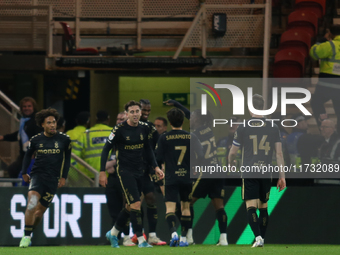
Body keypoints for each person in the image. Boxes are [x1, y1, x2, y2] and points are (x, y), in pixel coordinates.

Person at [100, 100, 164, 248]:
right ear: (126, 114)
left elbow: (148, 150)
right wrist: (102, 172)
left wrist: (156, 167)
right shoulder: (119, 129)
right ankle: (141, 240)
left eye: (137, 111)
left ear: (140, 113)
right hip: (124, 171)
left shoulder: (145, 128)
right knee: (135, 204)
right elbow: (105, 150)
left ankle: (114, 232)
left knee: (130, 206)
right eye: (132, 112)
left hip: (140, 171)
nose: (135, 114)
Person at [164, 99, 228, 246]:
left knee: (184, 205)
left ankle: (190, 237)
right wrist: (177, 105)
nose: (189, 119)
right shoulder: (208, 128)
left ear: (197, 119)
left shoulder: (193, 135)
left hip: (205, 172)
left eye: (192, 118)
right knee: (219, 206)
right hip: (217, 170)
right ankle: (224, 238)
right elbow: (188, 114)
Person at [228, 94, 286, 248]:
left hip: (249, 171)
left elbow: (233, 152)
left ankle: (258, 237)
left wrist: (230, 162)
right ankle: (261, 239)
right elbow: (279, 154)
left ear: (250, 108)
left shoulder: (243, 126)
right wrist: (282, 177)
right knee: (263, 206)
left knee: (251, 206)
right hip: (266, 172)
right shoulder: (273, 127)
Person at [19, 108, 71, 248]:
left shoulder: (64, 140)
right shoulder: (36, 140)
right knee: (32, 203)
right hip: (37, 176)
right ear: (43, 125)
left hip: (53, 180)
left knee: (39, 213)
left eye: (54, 122)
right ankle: (26, 236)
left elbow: (67, 160)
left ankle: (30, 232)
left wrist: (63, 177)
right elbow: (27, 156)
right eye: (49, 123)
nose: (52, 125)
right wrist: (24, 172)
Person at [156, 108, 203, 247]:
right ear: (183, 121)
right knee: (185, 208)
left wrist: (160, 168)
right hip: (186, 178)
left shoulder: (164, 137)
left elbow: (157, 158)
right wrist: (195, 168)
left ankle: (173, 233)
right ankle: (183, 238)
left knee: (170, 209)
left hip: (170, 178)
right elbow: (200, 156)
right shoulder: (192, 137)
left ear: (170, 122)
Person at [130, 99, 165, 246]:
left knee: (150, 198)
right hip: (130, 170)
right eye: (143, 110)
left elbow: (158, 147)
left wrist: (157, 166)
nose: (146, 113)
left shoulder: (150, 128)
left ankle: (152, 235)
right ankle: (132, 234)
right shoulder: (126, 127)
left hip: (146, 171)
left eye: (148, 111)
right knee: (132, 203)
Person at [104, 112, 135, 246]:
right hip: (112, 179)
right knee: (114, 210)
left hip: (125, 176)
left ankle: (127, 237)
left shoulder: (131, 136)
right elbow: (107, 165)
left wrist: (115, 162)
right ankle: (114, 236)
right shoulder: (113, 138)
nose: (119, 121)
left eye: (122, 119)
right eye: (117, 119)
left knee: (126, 207)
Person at [0, 97, 43, 179]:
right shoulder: (25, 121)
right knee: (13, 170)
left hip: (35, 156)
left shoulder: (36, 120)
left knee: (15, 170)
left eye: (29, 106)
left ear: (34, 107)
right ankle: (20, 190)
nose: (27, 108)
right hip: (25, 155)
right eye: (24, 106)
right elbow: (19, 135)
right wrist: (3, 137)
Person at [310, 24, 340, 134]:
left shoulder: (330, 45)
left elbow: (313, 53)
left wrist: (322, 40)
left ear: (330, 34)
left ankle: (325, 128)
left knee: (316, 103)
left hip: (327, 84)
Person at [73, 110, 112, 178]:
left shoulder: (85, 134)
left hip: (90, 175)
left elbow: (73, 156)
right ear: (108, 120)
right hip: (110, 174)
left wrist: (78, 174)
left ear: (95, 120)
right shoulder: (114, 132)